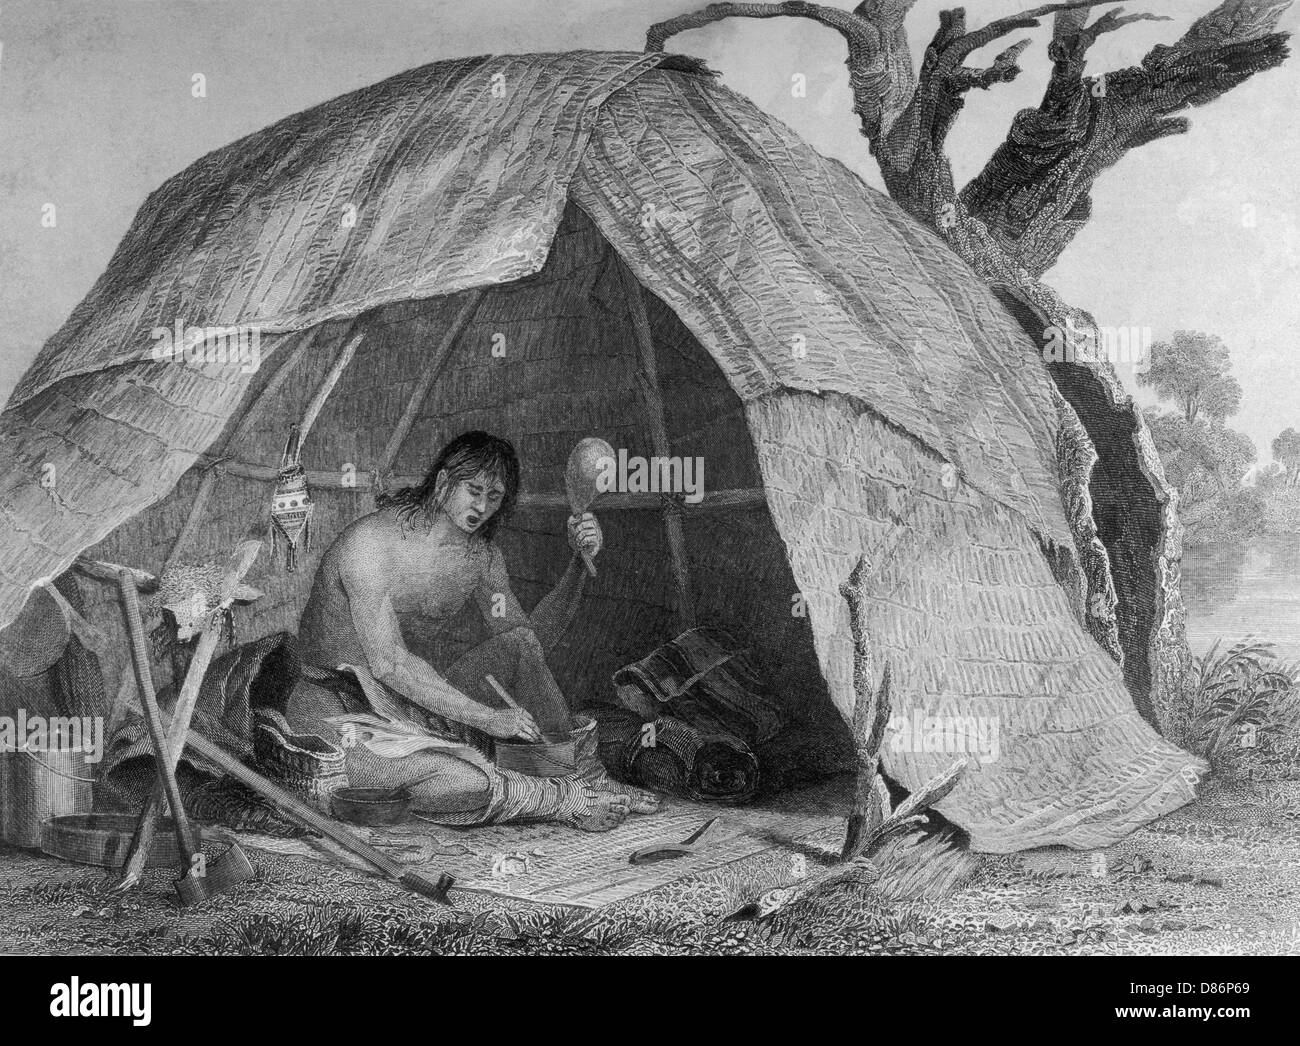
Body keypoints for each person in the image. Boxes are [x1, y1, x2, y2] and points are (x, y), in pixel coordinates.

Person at [285, 430, 658, 831]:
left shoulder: (479, 558)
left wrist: (577, 565)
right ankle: (560, 797)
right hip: (340, 710)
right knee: (465, 782)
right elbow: (390, 664)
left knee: (518, 647)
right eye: (473, 490)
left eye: (493, 497)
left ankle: (586, 775)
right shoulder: (371, 544)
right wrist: (486, 717)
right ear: (444, 482)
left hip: (415, 705)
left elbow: (531, 641)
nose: (481, 507)